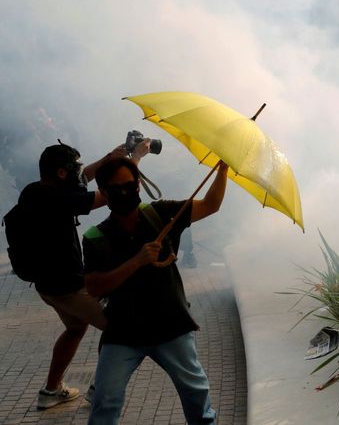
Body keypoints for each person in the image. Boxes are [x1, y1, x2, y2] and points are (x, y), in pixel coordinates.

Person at [83, 157, 228, 425]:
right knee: (105, 400)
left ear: (139, 184)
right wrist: (135, 262)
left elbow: (210, 206)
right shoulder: (95, 236)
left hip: (171, 326)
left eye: (130, 185)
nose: (125, 193)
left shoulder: (161, 215)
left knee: (197, 396)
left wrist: (223, 169)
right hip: (123, 332)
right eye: (115, 189)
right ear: (103, 193)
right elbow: (93, 287)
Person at [19, 141, 148, 410]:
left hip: (47, 285)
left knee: (76, 328)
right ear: (61, 173)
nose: (80, 172)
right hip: (68, 287)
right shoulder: (59, 199)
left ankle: (51, 391)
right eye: (73, 168)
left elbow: (82, 178)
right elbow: (115, 194)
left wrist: (109, 158)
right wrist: (133, 160)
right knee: (120, 329)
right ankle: (100, 389)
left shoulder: (35, 191)